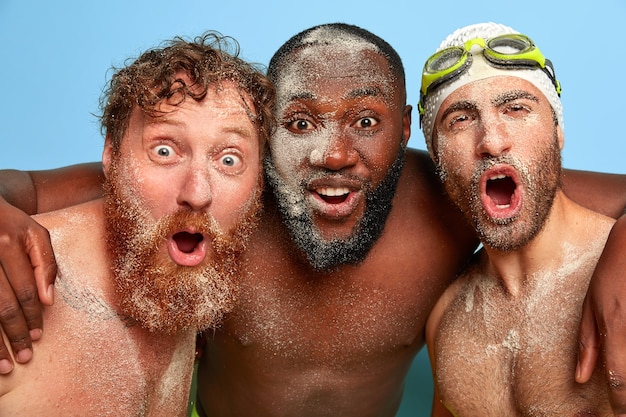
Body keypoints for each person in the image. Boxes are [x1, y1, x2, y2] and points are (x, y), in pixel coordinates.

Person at [2, 23, 626, 416]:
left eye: (365, 121)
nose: (333, 154)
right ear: (265, 132)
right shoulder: (221, 200)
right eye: (300, 124)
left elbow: (566, 193)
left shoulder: (448, 196)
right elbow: (27, 186)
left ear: (405, 128)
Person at [0, 32, 273, 415]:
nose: (197, 192)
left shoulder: (186, 279)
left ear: (259, 181)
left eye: (229, 160)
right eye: (164, 151)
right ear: (111, 156)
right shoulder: (14, 286)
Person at [422, 22, 615, 416]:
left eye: (516, 109)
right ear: (437, 158)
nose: (492, 141)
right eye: (460, 119)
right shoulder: (446, 320)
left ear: (558, 131)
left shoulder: (618, 285)